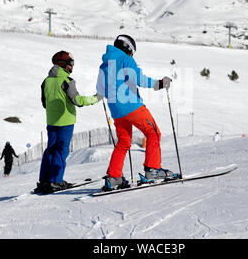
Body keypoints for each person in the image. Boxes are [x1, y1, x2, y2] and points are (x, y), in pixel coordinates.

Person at [96, 35, 174, 191]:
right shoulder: (125, 59)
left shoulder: (104, 64)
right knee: (153, 133)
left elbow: (100, 90)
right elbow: (138, 79)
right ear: (128, 48)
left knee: (123, 142)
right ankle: (153, 170)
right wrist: (159, 83)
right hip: (131, 106)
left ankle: (114, 177)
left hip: (116, 110)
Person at [35, 51, 101, 194]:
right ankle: (56, 181)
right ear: (63, 65)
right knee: (61, 150)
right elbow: (77, 101)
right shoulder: (67, 81)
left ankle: (44, 180)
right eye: (71, 63)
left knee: (50, 150)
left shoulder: (46, 81)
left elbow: (44, 102)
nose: (72, 66)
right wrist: (96, 98)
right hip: (65, 121)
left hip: (51, 121)